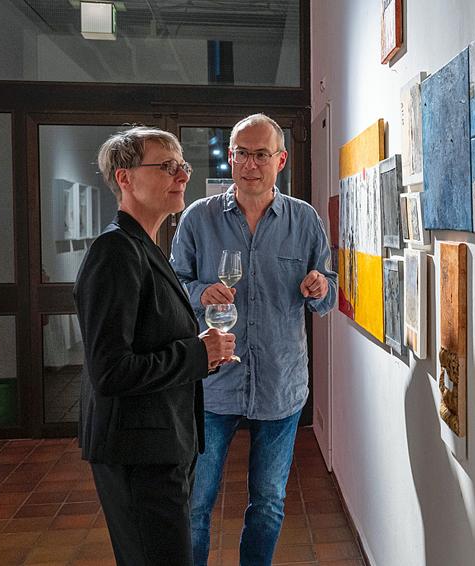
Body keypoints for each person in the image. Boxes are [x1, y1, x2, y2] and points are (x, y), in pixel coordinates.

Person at [170, 113, 337, 565]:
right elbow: (171, 288)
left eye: (261, 154)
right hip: (211, 386)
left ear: (279, 160)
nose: (251, 164)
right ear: (230, 158)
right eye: (242, 153)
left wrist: (321, 288)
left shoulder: (304, 220)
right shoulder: (197, 219)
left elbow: (329, 292)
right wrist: (198, 292)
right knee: (195, 505)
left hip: (280, 386)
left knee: (267, 504)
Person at [74, 126, 236, 566]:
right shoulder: (115, 251)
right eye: (166, 166)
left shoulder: (146, 246)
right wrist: (198, 354)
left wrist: (201, 352)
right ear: (124, 177)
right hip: (137, 452)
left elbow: (153, 338)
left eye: (181, 165)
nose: (181, 174)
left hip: (158, 443)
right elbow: (111, 370)